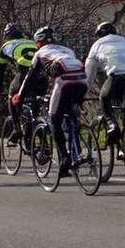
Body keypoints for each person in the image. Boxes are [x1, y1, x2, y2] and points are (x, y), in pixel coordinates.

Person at [13, 27, 89, 178]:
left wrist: (20, 97)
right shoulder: (68, 50)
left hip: (64, 83)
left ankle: (65, 159)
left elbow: (29, 79)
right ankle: (77, 151)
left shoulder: (40, 53)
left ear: (38, 42)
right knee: (71, 115)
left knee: (54, 120)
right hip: (82, 81)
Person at [85, 22, 125, 161]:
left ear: (99, 35)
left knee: (104, 98)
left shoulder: (97, 45)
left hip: (117, 76)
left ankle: (112, 125)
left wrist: (82, 93)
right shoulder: (124, 41)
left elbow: (89, 76)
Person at [0, 23, 46, 143]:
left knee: (12, 97)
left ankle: (17, 130)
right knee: (35, 107)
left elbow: (0, 72)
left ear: (8, 36)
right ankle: (37, 128)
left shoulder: (6, 46)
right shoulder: (32, 42)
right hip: (42, 76)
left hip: (25, 74)